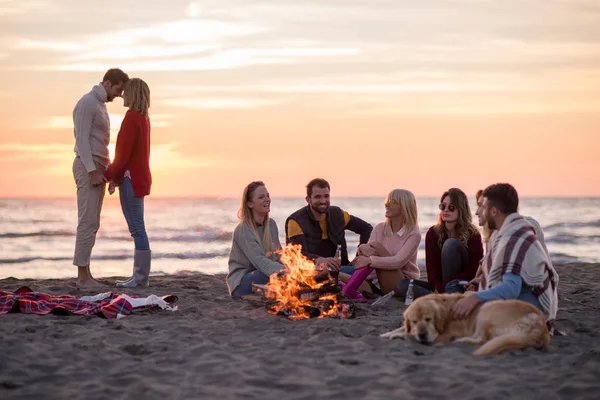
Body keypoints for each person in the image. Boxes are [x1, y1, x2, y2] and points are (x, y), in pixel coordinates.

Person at [452, 183, 559, 334]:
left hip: (529, 314)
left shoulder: (513, 237)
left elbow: (511, 288)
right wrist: (481, 282)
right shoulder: (510, 230)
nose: (478, 212)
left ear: (493, 211)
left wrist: (475, 298)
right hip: (522, 306)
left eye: (482, 206)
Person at [72, 68, 129, 286]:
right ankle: (82, 277)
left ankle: (86, 273)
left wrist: (108, 171)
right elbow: (82, 140)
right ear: (107, 83)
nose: (120, 94)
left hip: (99, 166)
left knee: (93, 222)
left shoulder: (101, 105)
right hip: (88, 166)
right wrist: (91, 170)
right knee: (86, 221)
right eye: (118, 89)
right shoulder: (87, 103)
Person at [105, 78, 153, 288]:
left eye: (126, 92)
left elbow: (123, 154)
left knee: (137, 229)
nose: (122, 95)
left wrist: (110, 176)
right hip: (138, 178)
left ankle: (140, 278)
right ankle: (139, 277)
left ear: (133, 94)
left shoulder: (132, 118)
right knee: (138, 228)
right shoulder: (143, 118)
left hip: (131, 179)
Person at [340, 189, 421, 300]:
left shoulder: (413, 234)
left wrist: (370, 261)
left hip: (400, 282)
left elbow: (398, 261)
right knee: (333, 274)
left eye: (392, 202)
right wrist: (362, 248)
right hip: (373, 280)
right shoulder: (380, 228)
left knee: (376, 246)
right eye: (387, 201)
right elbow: (368, 253)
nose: (387, 205)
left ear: (404, 208)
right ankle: (363, 289)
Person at [285, 178, 372, 272]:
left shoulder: (338, 214)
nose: (323, 201)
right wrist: (319, 260)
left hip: (342, 268)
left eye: (326, 196)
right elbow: (297, 254)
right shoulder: (296, 221)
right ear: (308, 199)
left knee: (370, 268)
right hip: (310, 273)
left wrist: (360, 253)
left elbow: (366, 229)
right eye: (318, 197)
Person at [227, 181, 284, 299]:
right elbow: (260, 262)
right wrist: (285, 272)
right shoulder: (243, 229)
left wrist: (293, 268)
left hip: (265, 273)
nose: (267, 199)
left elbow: (279, 255)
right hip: (243, 280)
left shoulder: (271, 225)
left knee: (283, 267)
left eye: (268, 195)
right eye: (261, 197)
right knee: (266, 274)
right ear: (250, 203)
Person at [425, 188, 483, 293]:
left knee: (450, 244)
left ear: (461, 209)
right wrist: (436, 286)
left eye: (451, 207)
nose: (446, 210)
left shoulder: (473, 234)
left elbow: (473, 270)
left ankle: (444, 292)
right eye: (443, 206)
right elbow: (431, 271)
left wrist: (442, 286)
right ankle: (441, 293)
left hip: (462, 283)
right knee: (404, 285)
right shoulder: (432, 233)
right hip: (441, 284)